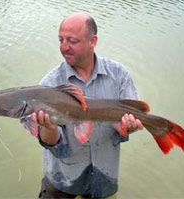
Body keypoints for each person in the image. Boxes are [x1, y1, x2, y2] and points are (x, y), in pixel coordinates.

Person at [31, 12, 144, 198]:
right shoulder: (49, 84)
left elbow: (128, 124)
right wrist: (48, 128)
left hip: (103, 178)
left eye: (72, 41)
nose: (64, 47)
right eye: (61, 40)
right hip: (62, 181)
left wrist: (128, 128)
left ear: (93, 41)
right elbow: (51, 143)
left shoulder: (119, 75)